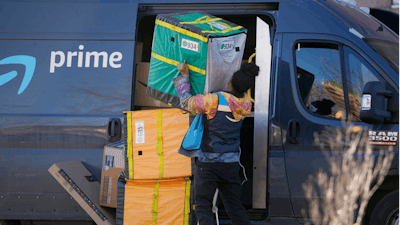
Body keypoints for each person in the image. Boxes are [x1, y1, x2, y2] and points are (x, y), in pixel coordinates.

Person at [172, 60, 259, 225]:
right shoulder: (245, 105)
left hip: (209, 164)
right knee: (235, 207)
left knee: (203, 207)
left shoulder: (213, 100)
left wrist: (184, 75)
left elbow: (186, 102)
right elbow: (244, 91)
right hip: (231, 165)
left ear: (229, 82)